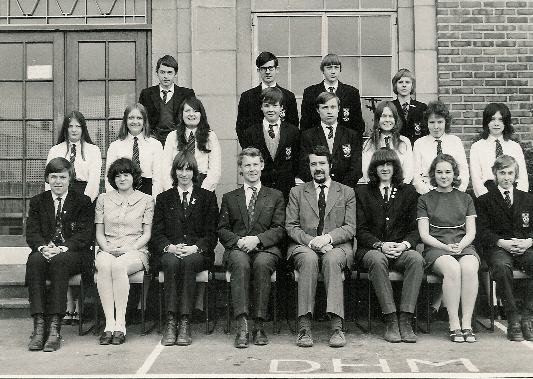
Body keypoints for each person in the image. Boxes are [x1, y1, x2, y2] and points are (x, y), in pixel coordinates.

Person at [286, 145, 357, 348]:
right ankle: (304, 327)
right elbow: (291, 226)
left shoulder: (347, 192)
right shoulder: (297, 192)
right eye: (313, 164)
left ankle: (336, 326)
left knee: (332, 259)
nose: (318, 168)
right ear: (308, 167)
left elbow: (350, 227)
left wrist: (327, 239)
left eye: (322, 163)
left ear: (330, 165)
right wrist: (312, 241)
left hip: (336, 246)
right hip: (304, 245)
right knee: (308, 260)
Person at [218, 148, 286, 348]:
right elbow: (222, 229)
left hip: (266, 249)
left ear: (262, 166)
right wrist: (239, 241)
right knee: (240, 263)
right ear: (240, 169)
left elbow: (279, 228)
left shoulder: (275, 196)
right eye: (247, 165)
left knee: (263, 263)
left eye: (255, 164)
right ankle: (242, 324)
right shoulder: (230, 197)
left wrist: (257, 239)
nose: (252, 169)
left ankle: (259, 324)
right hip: (238, 249)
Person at [26, 157, 94, 352]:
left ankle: (55, 327)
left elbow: (85, 234)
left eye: (62, 177)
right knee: (35, 260)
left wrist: (62, 247)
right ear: (47, 179)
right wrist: (42, 247)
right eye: (53, 177)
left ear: (70, 178)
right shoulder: (38, 202)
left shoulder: (82, 201)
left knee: (60, 261)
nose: (57, 181)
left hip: (72, 254)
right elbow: (32, 232)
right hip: (46, 251)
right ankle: (39, 327)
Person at [355, 148, 423, 343]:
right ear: (374, 168)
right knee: (377, 260)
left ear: (395, 167)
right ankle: (391, 319)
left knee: (416, 259)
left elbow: (415, 229)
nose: (385, 168)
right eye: (380, 165)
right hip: (372, 250)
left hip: (400, 249)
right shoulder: (362, 192)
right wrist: (380, 245)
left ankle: (406, 319)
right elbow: (360, 229)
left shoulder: (409, 192)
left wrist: (404, 245)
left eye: (389, 164)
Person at [152, 152, 219, 346]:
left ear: (194, 172)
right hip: (171, 251)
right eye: (180, 169)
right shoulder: (164, 198)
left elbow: (211, 233)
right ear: (174, 172)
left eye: (188, 169)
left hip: (196, 254)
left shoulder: (207, 197)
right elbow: (157, 232)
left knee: (189, 262)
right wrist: (170, 247)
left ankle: (185, 320)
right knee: (171, 262)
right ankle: (171, 320)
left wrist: (195, 248)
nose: (184, 173)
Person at [45, 110, 102, 324]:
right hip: (60, 202)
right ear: (65, 129)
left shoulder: (93, 150)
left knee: (78, 249)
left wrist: (81, 205)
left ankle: (80, 305)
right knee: (62, 249)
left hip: (84, 203)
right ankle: (68, 304)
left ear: (83, 128)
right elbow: (49, 180)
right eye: (70, 126)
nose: (74, 130)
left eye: (78, 126)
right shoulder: (56, 150)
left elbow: (95, 180)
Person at [417, 154, 479, 343]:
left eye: (448, 172)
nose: (444, 176)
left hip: (463, 245)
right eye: (439, 172)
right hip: (437, 248)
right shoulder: (425, 199)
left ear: (454, 174)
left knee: (469, 268)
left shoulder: (466, 198)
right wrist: (446, 246)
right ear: (433, 174)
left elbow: (471, 232)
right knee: (452, 268)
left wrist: (460, 245)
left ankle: (466, 323)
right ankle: (454, 324)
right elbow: (424, 235)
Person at [95, 158, 155, 345]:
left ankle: (121, 324)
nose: (122, 178)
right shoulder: (103, 199)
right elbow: (99, 233)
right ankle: (109, 325)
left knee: (119, 265)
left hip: (136, 250)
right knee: (105, 265)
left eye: (126, 174)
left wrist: (130, 248)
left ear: (134, 177)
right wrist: (107, 249)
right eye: (118, 175)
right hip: (108, 247)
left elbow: (146, 234)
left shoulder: (146, 200)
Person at [476, 155, 533, 341]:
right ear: (495, 174)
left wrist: (529, 241)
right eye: (502, 173)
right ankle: (513, 317)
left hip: (525, 247)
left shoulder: (527, 198)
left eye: (510, 173)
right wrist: (501, 242)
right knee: (501, 267)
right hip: (499, 248)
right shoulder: (485, 200)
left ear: (516, 174)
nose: (506, 177)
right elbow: (481, 231)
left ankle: (527, 315)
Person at [241, 87, 300, 202]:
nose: (271, 109)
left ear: (281, 107)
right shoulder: (251, 133)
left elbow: (296, 161)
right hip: (260, 189)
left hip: (285, 190)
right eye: (267, 105)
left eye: (275, 105)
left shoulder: (293, 131)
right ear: (261, 107)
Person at [299, 91, 362, 188]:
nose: (329, 111)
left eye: (333, 107)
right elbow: (303, 168)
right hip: (317, 190)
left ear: (339, 109)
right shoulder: (308, 136)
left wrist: (340, 190)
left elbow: (356, 169)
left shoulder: (351, 135)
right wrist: (321, 187)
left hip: (344, 191)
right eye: (325, 107)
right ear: (318, 110)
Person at [236, 51, 298, 147]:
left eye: (270, 68)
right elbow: (241, 128)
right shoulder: (247, 97)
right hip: (255, 153)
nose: (267, 72)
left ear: (277, 69)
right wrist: (250, 152)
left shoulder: (288, 96)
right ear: (258, 71)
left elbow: (293, 127)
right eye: (263, 69)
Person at [300, 54, 365, 144]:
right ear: (323, 70)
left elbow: (358, 125)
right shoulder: (310, 92)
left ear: (340, 69)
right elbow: (305, 124)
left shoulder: (351, 93)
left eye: (336, 67)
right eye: (329, 68)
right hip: (318, 144)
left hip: (344, 144)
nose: (333, 71)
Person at [162, 96, 221, 192]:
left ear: (201, 114)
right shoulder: (172, 136)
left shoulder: (210, 136)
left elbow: (215, 170)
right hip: (177, 184)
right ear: (181, 114)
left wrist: (202, 193)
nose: (191, 114)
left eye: (195, 111)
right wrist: (173, 191)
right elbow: (165, 168)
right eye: (187, 111)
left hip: (203, 185)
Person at [470, 103, 529, 198]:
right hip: (487, 196)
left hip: (512, 195)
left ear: (506, 122)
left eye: (501, 120)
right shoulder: (477, 147)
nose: (496, 123)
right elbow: (476, 180)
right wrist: (486, 200)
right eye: (492, 119)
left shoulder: (515, 147)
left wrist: (519, 201)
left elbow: (522, 179)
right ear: (486, 122)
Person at [105, 103, 163, 198]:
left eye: (139, 118)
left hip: (147, 193)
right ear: (125, 121)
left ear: (144, 121)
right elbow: (109, 178)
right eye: (131, 118)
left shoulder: (155, 145)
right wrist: (114, 200)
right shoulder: (115, 146)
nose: (135, 121)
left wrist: (154, 201)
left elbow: (158, 179)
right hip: (121, 193)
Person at [412, 101, 469, 194]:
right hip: (428, 194)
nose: (436, 126)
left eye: (440, 122)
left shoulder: (455, 141)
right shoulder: (419, 144)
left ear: (446, 122)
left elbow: (463, 171)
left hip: (453, 193)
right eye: (431, 122)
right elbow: (416, 175)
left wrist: (457, 192)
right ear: (426, 123)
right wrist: (429, 194)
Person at [139, 55, 195, 145]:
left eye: (169, 73)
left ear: (175, 74)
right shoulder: (147, 94)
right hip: (152, 141)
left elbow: (193, 118)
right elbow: (141, 118)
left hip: (178, 141)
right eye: (162, 72)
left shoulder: (186, 94)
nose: (166, 76)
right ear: (157, 73)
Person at [360, 101, 414, 184]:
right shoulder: (369, 144)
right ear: (378, 119)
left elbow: (408, 172)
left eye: (391, 116)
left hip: (400, 189)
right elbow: (366, 172)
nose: (387, 120)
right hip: (375, 190)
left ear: (395, 119)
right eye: (383, 116)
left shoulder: (404, 142)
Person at [391, 68, 428, 146]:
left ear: (412, 86)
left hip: (416, 149)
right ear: (395, 85)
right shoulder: (390, 107)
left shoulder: (421, 107)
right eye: (400, 82)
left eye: (407, 82)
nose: (404, 85)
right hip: (396, 148)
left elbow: (426, 132)